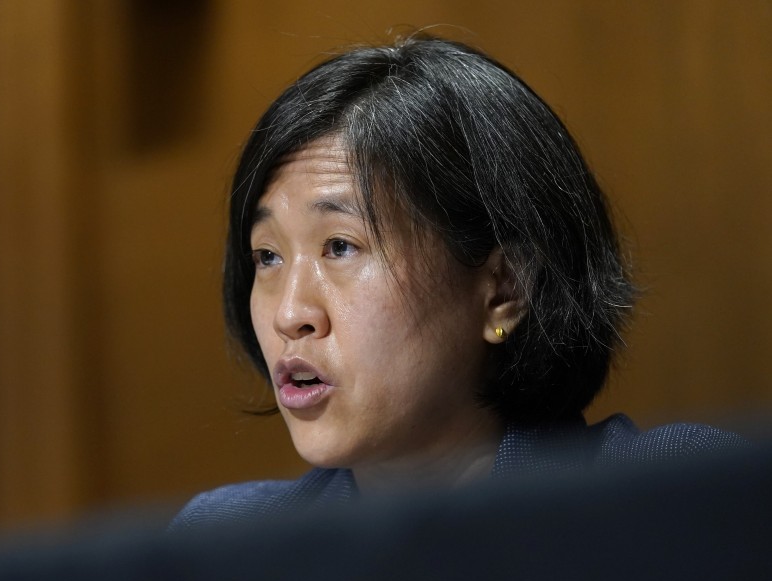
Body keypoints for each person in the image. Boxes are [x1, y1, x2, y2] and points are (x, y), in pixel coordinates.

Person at [170, 33, 743, 529]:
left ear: (505, 289)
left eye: (340, 246)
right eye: (267, 257)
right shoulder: (222, 544)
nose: (290, 313)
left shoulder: (679, 500)